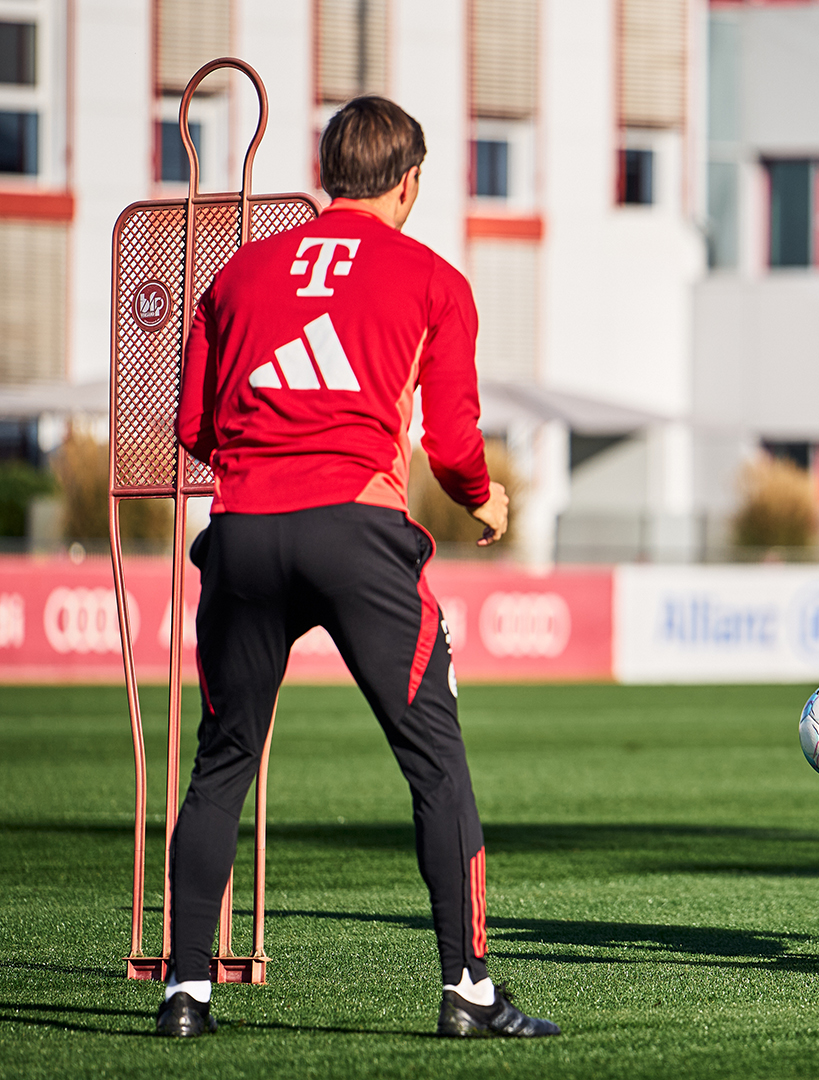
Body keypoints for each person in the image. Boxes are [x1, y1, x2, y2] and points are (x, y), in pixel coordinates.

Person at [160, 96, 558, 1039]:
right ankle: (466, 990)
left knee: (222, 764)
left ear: (327, 171)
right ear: (410, 180)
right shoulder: (435, 278)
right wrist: (482, 498)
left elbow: (192, 430)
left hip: (246, 528)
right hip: (359, 532)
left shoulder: (237, 273)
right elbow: (456, 441)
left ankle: (184, 992)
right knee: (435, 766)